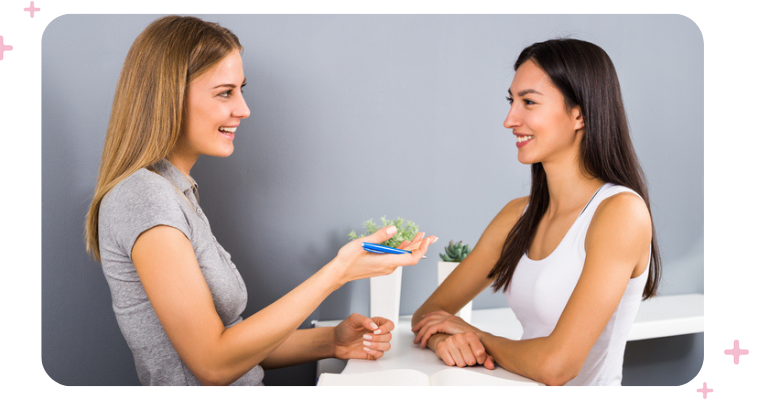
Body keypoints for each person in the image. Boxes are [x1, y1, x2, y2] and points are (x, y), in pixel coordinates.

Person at [84, 15, 436, 386]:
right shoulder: (144, 197)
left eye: (241, 89)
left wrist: (332, 341)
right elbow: (213, 364)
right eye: (225, 93)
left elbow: (233, 344)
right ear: (168, 97)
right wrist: (339, 272)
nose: (243, 109)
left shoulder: (176, 191)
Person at [410, 38, 661, 386]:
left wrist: (476, 336)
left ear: (579, 114)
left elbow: (557, 367)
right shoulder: (517, 216)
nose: (509, 120)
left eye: (529, 102)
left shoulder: (621, 213)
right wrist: (444, 339)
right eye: (511, 101)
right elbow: (427, 314)